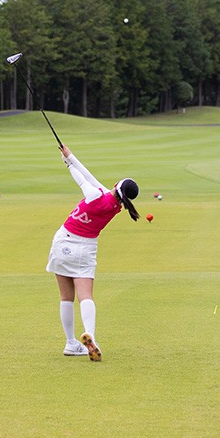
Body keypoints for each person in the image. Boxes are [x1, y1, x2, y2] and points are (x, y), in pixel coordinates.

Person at [46, 143, 139, 361]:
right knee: (85, 295)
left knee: (65, 297)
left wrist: (68, 166)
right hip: (85, 248)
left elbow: (82, 179)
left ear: (116, 185)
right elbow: (88, 175)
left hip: (63, 241)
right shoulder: (114, 205)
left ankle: (71, 343)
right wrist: (69, 157)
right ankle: (92, 337)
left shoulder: (97, 195)